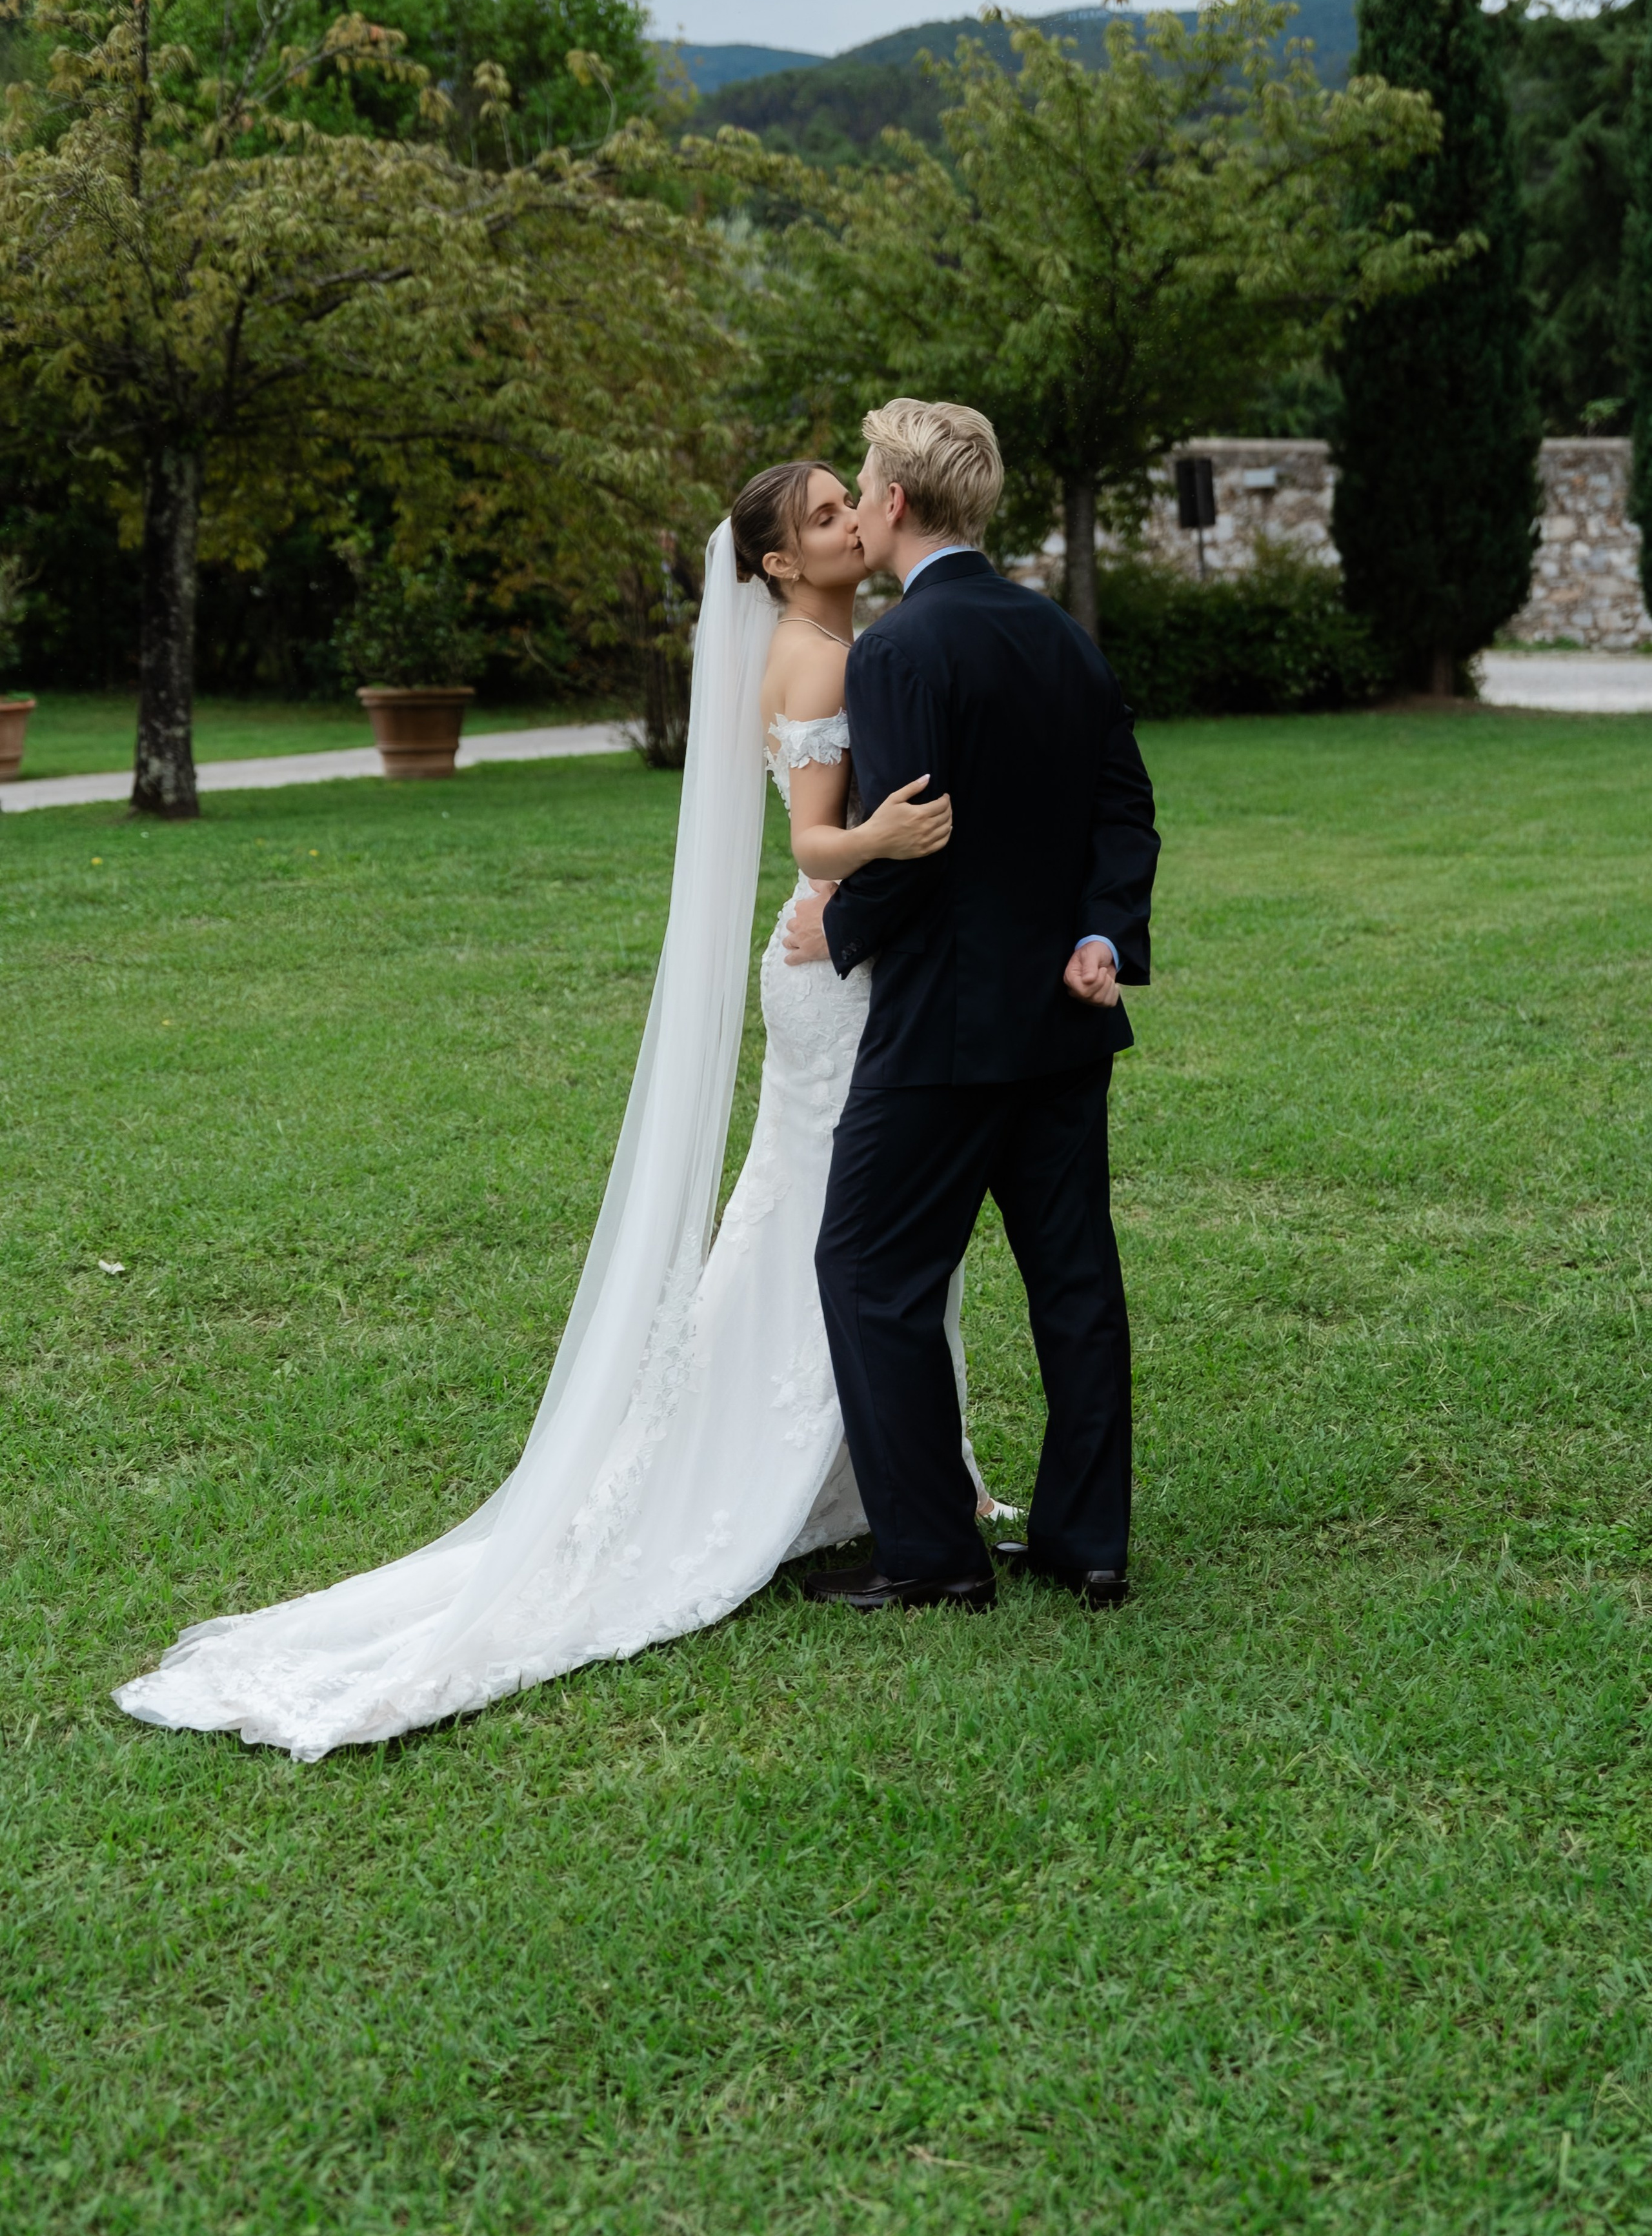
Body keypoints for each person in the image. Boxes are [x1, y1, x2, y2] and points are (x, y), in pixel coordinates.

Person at [114, 461, 1007, 1760]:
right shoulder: (817, 660)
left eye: (843, 501)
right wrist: (883, 842)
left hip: (849, 964)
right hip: (833, 970)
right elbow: (813, 840)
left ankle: (893, 1471)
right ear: (775, 564)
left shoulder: (838, 640)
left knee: (855, 1225)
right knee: (847, 1228)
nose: (848, 521)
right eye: (821, 516)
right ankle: (814, 1473)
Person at [787, 399, 1160, 1615]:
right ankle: (1088, 1544)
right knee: (1075, 1283)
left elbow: (916, 843)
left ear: (896, 501)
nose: (858, 503)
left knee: (865, 1265)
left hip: (941, 1032)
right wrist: (1101, 934)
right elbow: (1125, 810)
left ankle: (934, 1556)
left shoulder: (898, 650)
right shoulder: (1062, 636)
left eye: (862, 486)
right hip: (1062, 1026)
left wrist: (834, 925)